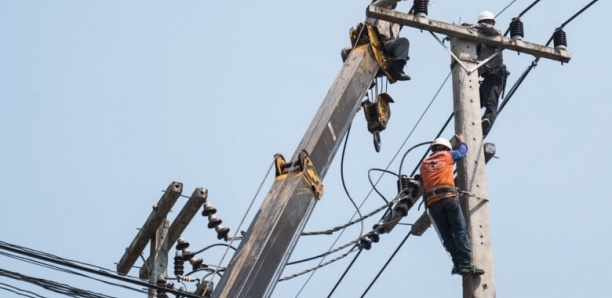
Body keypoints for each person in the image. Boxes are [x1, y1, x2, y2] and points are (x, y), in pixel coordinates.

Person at [419, 134, 485, 276]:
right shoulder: (447, 156)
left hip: (432, 203)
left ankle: (457, 264)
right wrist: (462, 141)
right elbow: (462, 152)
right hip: (448, 198)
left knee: (447, 236)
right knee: (460, 230)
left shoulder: (424, 164)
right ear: (446, 148)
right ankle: (465, 263)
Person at [463, 11, 509, 137]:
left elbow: (489, 29)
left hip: (495, 76)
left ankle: (485, 124)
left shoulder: (496, 33)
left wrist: (474, 26)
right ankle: (473, 125)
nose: (486, 24)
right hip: (485, 78)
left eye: (488, 22)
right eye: (484, 22)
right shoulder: (480, 40)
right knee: (472, 101)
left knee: (491, 104)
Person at [341, 0, 411, 81]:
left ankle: (397, 71)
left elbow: (396, 41)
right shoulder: (375, 7)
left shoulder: (395, 19)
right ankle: (356, 76)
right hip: (372, 42)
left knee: (404, 42)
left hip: (386, 46)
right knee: (345, 51)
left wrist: (400, 54)